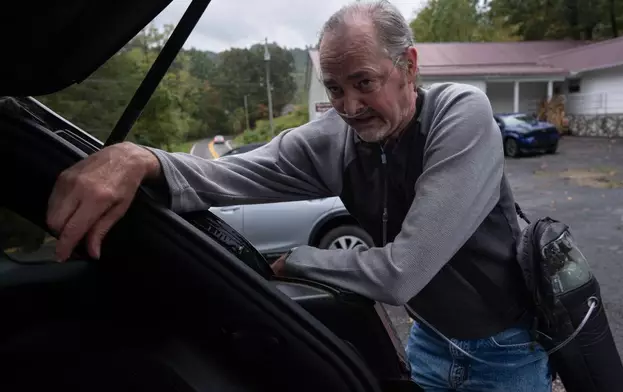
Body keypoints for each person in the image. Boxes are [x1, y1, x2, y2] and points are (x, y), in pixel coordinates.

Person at [46, 1, 551, 390]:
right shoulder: (337, 137)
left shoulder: (461, 115)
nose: (350, 106)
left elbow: (402, 272)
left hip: (503, 350)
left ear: (409, 66)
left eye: (364, 82)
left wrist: (297, 262)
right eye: (334, 88)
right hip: (428, 338)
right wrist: (139, 158)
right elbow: (226, 175)